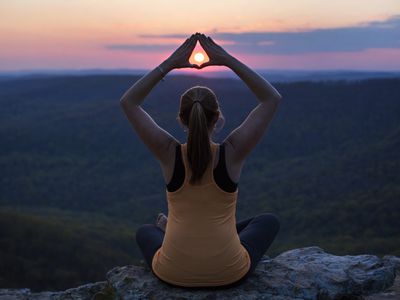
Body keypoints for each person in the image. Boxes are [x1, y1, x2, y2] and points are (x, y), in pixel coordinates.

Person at [120, 32, 282, 289]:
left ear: (181, 119)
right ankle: (183, 229)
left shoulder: (168, 152)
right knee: (267, 221)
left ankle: (169, 227)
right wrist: (226, 59)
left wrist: (171, 63)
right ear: (217, 118)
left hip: (173, 273)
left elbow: (129, 102)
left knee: (144, 231)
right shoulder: (232, 152)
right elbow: (271, 99)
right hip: (229, 272)